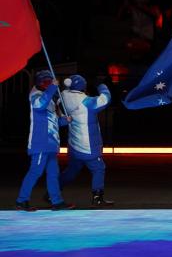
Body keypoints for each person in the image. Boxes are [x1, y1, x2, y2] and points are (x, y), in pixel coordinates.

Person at [16, 70, 74, 211]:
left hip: (51, 144)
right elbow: (39, 105)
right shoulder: (35, 95)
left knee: (54, 174)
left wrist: (64, 120)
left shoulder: (49, 100)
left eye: (50, 82)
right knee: (35, 172)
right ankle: (21, 200)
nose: (49, 84)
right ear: (40, 83)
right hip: (40, 142)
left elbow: (53, 122)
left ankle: (57, 201)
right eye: (46, 82)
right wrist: (53, 87)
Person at [59, 74, 114, 206]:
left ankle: (53, 191)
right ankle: (97, 198)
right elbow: (106, 99)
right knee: (99, 168)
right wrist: (101, 85)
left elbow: (60, 97)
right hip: (88, 144)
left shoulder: (63, 96)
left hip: (74, 144)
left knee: (72, 171)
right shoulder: (87, 102)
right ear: (83, 87)